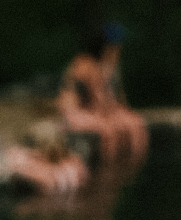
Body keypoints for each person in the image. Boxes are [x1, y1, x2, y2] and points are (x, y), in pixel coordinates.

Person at [58, 27, 148, 160]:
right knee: (108, 131)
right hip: (75, 113)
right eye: (114, 48)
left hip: (90, 111)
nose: (118, 51)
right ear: (104, 48)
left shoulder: (105, 67)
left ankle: (133, 164)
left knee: (135, 123)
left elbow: (117, 100)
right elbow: (97, 100)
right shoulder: (86, 64)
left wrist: (119, 113)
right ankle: (107, 169)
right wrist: (111, 115)